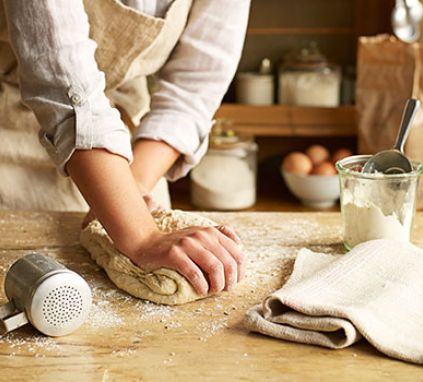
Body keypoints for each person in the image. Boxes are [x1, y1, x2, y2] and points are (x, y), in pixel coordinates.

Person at [0, 0, 251, 295]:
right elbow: (62, 82)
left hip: (136, 144)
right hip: (15, 127)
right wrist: (143, 238)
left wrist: (135, 187)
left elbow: (193, 87)